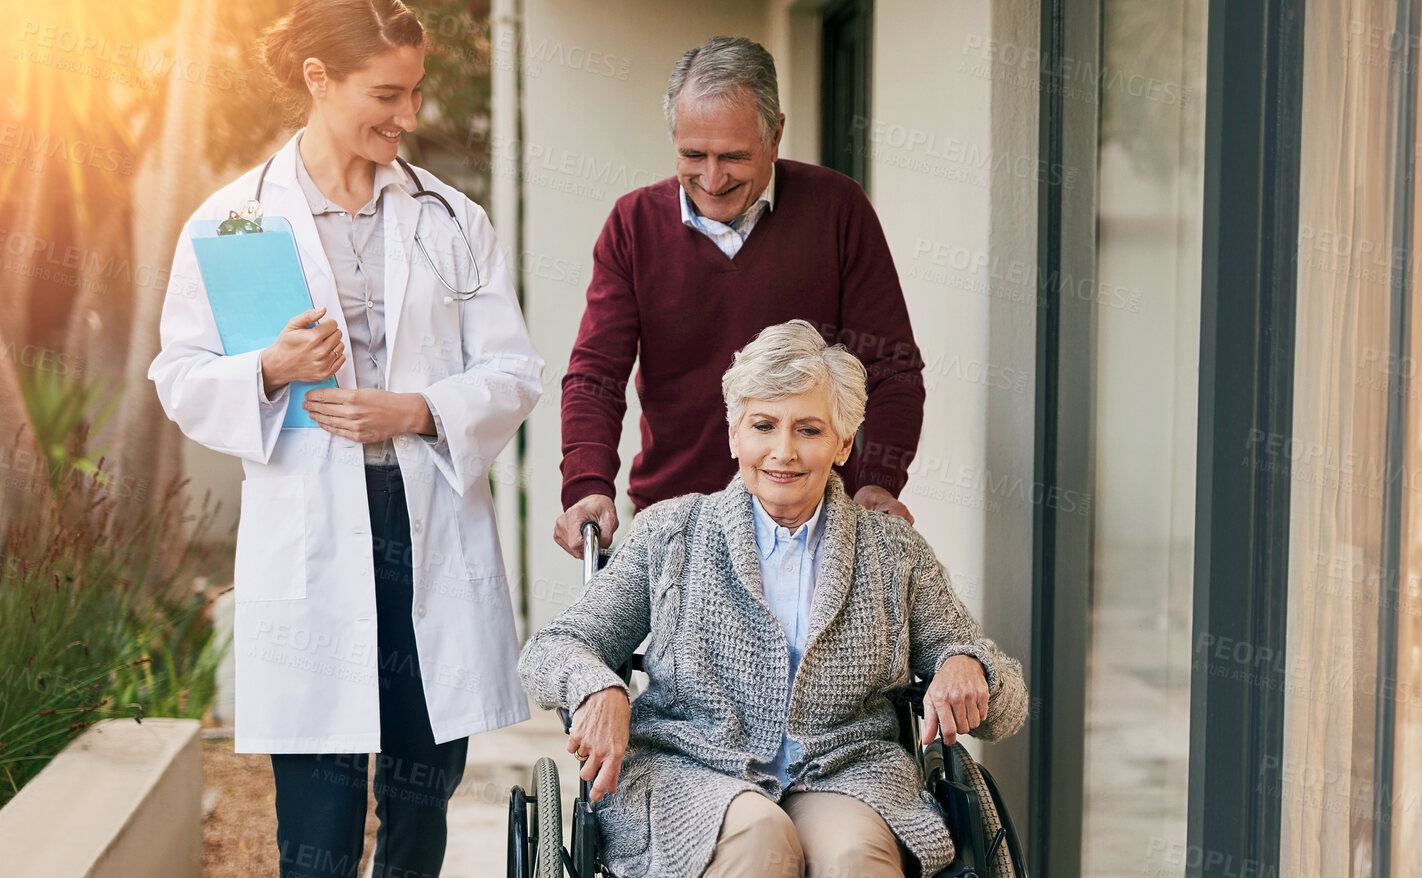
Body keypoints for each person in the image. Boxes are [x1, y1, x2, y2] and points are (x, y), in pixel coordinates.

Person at [147, 1, 542, 875]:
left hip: (423, 513)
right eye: (387, 94)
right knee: (319, 815)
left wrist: (417, 411)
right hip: (314, 527)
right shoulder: (234, 220)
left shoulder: (451, 219)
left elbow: (513, 370)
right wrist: (268, 369)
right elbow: (178, 375)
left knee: (419, 791)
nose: (408, 115)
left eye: (415, 92)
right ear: (318, 81)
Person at [520, 320, 1025, 878]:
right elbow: (552, 648)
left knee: (856, 858)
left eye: (808, 429)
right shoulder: (671, 533)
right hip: (692, 773)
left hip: (845, 775)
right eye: (764, 425)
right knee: (762, 842)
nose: (783, 451)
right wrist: (598, 687)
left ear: (843, 444)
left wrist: (967, 665)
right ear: (735, 433)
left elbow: (1006, 705)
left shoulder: (892, 552)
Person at [553, 36, 926, 560]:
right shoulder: (633, 224)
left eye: (732, 156)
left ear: (775, 135)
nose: (710, 178)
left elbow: (892, 368)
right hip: (680, 523)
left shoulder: (837, 209)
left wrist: (879, 481)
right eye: (692, 155)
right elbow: (595, 375)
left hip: (817, 524)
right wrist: (587, 483)